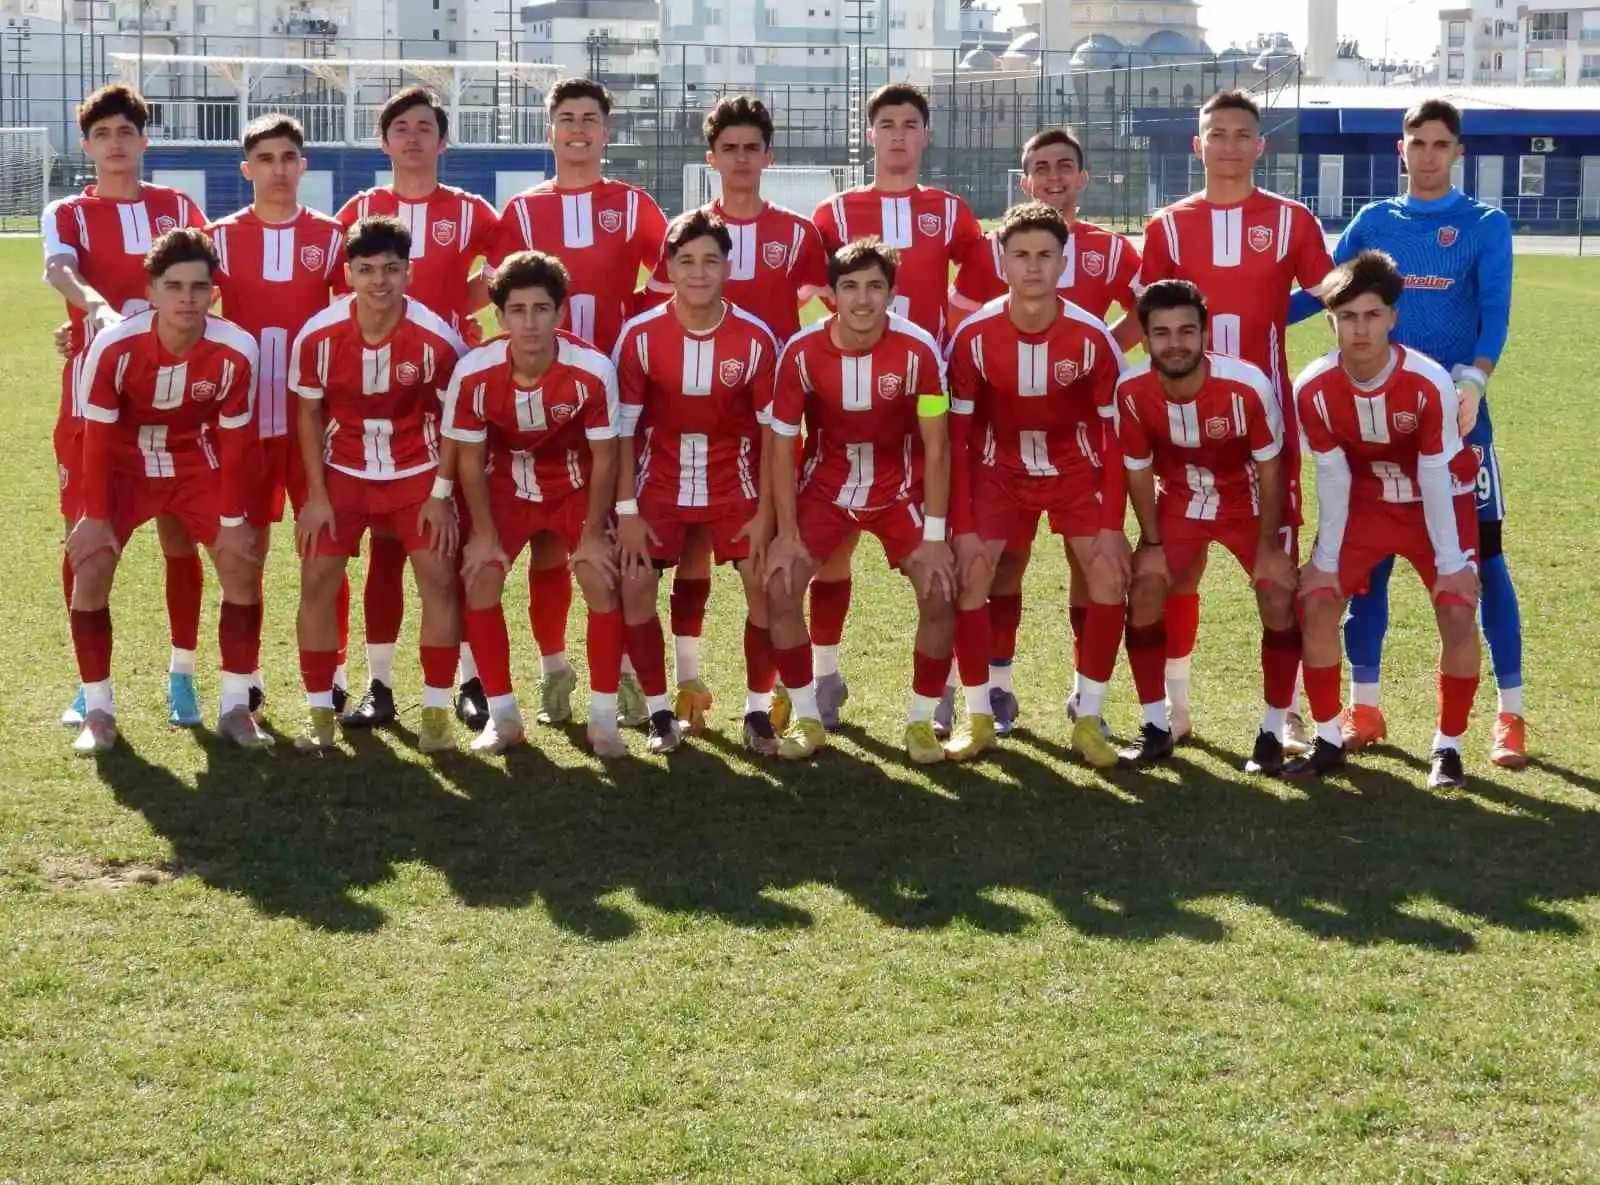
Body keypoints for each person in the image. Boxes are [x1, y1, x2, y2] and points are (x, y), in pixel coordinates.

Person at [1286, 98, 1523, 767]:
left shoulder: (1484, 224)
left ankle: (1511, 712)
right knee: (1370, 572)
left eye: (1440, 144)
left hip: (1456, 421)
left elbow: (1495, 312)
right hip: (1370, 426)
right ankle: (1363, 707)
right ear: (1401, 148)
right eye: (1416, 142)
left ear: (1458, 153)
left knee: (1485, 567)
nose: (1427, 155)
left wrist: (1473, 380)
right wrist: (1247, 317)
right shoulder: (1373, 220)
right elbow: (1326, 292)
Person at [1136, 88, 1336, 750]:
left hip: (1265, 432)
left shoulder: (1292, 220)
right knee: (1173, 573)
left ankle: (1286, 713)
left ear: (1260, 146)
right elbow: (1148, 321)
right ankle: (1175, 703)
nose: (1227, 144)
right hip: (1180, 428)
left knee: (1275, 576)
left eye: (1240, 133)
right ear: (1198, 145)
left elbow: (1334, 299)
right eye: (1215, 133)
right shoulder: (1166, 224)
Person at [796, 82, 987, 731]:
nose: (899, 134)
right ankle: (824, 675)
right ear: (870, 135)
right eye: (887, 124)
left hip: (926, 396)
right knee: (832, 546)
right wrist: (848, 336)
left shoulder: (950, 209)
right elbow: (808, 281)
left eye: (910, 124)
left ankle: (942, 692)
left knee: (944, 547)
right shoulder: (836, 211)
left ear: (925, 136)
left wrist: (948, 326)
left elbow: (984, 274)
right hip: (849, 401)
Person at [946, 127, 1144, 738]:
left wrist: (1114, 523)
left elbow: (1146, 311)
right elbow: (958, 423)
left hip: (1073, 461)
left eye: (1066, 166)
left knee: (1101, 569)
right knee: (991, 567)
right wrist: (959, 520)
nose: (1055, 176)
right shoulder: (978, 323)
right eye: (1042, 166)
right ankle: (989, 697)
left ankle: (1088, 707)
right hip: (999, 462)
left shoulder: (1096, 315)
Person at [638, 97, 827, 730]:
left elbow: (838, 312)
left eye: (753, 148)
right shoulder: (687, 233)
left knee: (759, 562)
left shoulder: (799, 233)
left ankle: (775, 693)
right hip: (683, 419)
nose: (742, 159)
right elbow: (656, 314)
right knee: (686, 552)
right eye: (730, 148)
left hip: (763, 422)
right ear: (711, 157)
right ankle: (684, 678)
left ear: (768, 156)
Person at [489, 76, 670, 730]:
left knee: (614, 535)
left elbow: (671, 272)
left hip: (616, 395)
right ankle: (554, 667)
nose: (578, 128)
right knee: (546, 544)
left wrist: (637, 323)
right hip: (542, 395)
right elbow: (503, 298)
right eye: (566, 117)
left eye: (590, 117)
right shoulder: (522, 211)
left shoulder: (632, 203)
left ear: (605, 131)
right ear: (550, 130)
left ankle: (620, 670)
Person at [44, 82, 211, 730]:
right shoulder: (69, 211)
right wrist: (93, 310)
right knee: (84, 538)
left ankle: (182, 675)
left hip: (173, 399)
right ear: (87, 146)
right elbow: (60, 269)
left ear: (144, 141)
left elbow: (201, 283)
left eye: (126, 132)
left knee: (178, 535)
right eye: (103, 134)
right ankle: (91, 688)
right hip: (94, 400)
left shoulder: (178, 205)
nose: (116, 144)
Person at [64, 227, 266, 752]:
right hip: (124, 462)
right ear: (151, 291)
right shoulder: (113, 346)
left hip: (195, 462)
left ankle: (236, 708)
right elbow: (98, 437)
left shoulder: (237, 349)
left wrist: (231, 519)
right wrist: (94, 515)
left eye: (198, 287)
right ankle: (99, 711)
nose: (187, 298)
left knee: (241, 565)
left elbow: (237, 441)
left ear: (213, 292)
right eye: (173, 286)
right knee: (92, 567)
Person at [335, 85, 499, 730]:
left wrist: (465, 305)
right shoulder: (360, 209)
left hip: (451, 397)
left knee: (451, 542)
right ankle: (379, 683)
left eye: (424, 127)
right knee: (385, 549)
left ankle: (470, 678)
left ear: (442, 140)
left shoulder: (470, 209)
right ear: (384, 141)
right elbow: (336, 292)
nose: (411, 137)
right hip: (377, 406)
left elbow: (513, 269)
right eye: (399, 127)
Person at [1288, 249, 1481, 789]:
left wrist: (1450, 563)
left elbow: (1438, 472)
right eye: (1347, 317)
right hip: (1366, 503)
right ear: (1331, 321)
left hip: (1435, 502)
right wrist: (1325, 561)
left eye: (1372, 315)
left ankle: (1448, 748)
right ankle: (1327, 738)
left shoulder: (1427, 381)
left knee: (1458, 609)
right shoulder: (1313, 386)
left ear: (1393, 317)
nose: (1360, 329)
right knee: (1318, 601)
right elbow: (1332, 474)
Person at [764, 237, 957, 763]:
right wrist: (785, 532)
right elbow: (782, 446)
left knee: (941, 590)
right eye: (850, 287)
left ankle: (922, 720)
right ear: (832, 294)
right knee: (780, 587)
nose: (863, 299)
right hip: (826, 489)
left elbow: (937, 448)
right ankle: (807, 715)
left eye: (875, 286)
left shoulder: (920, 350)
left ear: (892, 293)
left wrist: (937, 539)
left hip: (899, 490)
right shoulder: (800, 352)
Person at [289, 214, 468, 753]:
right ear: (348, 274)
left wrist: (440, 495)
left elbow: (458, 422)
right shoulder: (319, 335)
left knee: (437, 581)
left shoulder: (437, 339)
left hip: (416, 474)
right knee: (317, 583)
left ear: (408, 274)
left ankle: (436, 713)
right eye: (366, 270)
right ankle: (320, 711)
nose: (379, 281)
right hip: (343, 476)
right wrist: (315, 497)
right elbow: (308, 415)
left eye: (391, 269)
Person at [439, 250, 630, 756]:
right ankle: (503, 719)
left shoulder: (591, 369)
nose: (530, 322)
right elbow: (468, 457)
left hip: (574, 488)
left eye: (541, 309)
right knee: (479, 576)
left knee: (598, 575)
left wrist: (592, 534)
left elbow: (606, 458)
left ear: (560, 313)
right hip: (506, 489)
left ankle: (604, 719)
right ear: (499, 317)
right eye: (517, 310)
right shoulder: (475, 372)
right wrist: (481, 534)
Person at [1115, 279, 1300, 772]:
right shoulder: (1131, 390)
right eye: (1161, 333)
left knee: (1276, 592)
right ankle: (1158, 724)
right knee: (1148, 586)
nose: (1174, 343)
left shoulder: (1247, 385)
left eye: (1186, 331)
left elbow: (1271, 467)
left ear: (1205, 334)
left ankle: (1272, 731)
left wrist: (1268, 547)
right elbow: (1136, 469)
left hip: (1248, 502)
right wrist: (1151, 542)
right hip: (1179, 499)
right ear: (1145, 338)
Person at [614, 209, 781, 755]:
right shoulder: (639, 337)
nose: (699, 272)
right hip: (658, 484)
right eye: (686, 261)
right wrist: (627, 510)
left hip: (733, 484)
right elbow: (621, 432)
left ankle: (757, 712)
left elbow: (773, 435)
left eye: (711, 260)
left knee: (765, 586)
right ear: (669, 268)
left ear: (728, 267)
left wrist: (766, 514)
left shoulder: (755, 339)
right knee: (636, 585)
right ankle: (662, 713)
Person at [207, 112, 347, 714]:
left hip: (314, 428)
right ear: (247, 170)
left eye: (289, 157)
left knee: (325, 555)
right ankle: (245, 677)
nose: (278, 169)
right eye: (265, 159)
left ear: (303, 166)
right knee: (246, 552)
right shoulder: (217, 237)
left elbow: (358, 314)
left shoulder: (333, 236)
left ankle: (333, 673)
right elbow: (181, 310)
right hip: (241, 427)